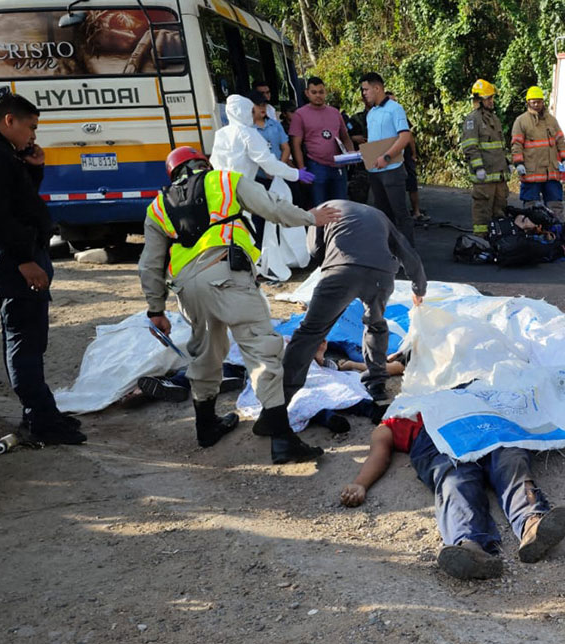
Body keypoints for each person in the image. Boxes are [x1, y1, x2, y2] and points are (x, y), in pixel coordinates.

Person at [139, 147, 339, 463]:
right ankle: (282, 439)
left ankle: (206, 427)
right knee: (261, 350)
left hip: (188, 288)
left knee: (205, 353)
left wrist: (156, 309)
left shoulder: (158, 206)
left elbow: (149, 263)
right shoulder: (224, 180)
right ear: (203, 163)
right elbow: (271, 207)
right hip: (227, 274)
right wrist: (310, 217)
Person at [0, 93, 86, 445]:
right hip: (13, 261)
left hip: (17, 256)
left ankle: (41, 414)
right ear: (9, 120)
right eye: (31, 127)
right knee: (24, 343)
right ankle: (40, 422)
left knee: (28, 341)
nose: (33, 135)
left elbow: (18, 201)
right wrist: (24, 261)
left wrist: (32, 169)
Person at [340, 414, 565, 580]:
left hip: (490, 431)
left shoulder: (475, 386)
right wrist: (360, 483)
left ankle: (533, 524)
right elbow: (379, 452)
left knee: (512, 462)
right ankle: (469, 546)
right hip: (440, 446)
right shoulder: (401, 414)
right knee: (455, 481)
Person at [281, 200, 426, 406]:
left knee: (310, 332)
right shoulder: (379, 216)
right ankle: (376, 384)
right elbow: (408, 253)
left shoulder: (324, 210)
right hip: (381, 275)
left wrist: (331, 268)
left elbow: (314, 250)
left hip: (341, 270)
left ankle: (281, 397)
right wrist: (419, 289)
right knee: (376, 325)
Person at [210, 94, 312, 187]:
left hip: (221, 185)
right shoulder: (248, 134)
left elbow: (214, 160)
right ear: (245, 112)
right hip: (242, 186)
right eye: (252, 111)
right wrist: (295, 174)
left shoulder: (221, 133)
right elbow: (267, 162)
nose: (253, 115)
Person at [361, 73, 415, 245]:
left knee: (401, 214)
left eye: (366, 89)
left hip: (392, 169)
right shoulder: (371, 113)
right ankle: (390, 252)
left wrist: (387, 156)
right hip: (375, 170)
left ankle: (409, 254)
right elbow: (374, 141)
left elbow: (405, 136)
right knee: (383, 215)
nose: (364, 93)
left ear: (377, 88)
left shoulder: (395, 108)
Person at [290, 76, 354, 206]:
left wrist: (352, 154)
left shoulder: (335, 113)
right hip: (316, 166)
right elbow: (295, 145)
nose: (318, 95)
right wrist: (301, 169)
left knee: (342, 206)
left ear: (325, 92)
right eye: (314, 92)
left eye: (321, 92)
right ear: (307, 93)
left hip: (338, 166)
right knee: (320, 206)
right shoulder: (300, 114)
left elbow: (345, 137)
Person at [511, 85, 565, 221]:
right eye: (534, 102)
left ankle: (557, 229)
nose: (537, 105)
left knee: (555, 205)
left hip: (551, 172)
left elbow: (560, 141)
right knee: (531, 207)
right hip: (531, 173)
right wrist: (519, 163)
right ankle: (531, 230)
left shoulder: (551, 120)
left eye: (539, 101)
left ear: (543, 102)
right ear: (528, 103)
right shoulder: (521, 121)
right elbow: (517, 144)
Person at [461, 79, 510, 237]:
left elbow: (500, 146)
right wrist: (478, 168)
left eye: (491, 98)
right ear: (480, 100)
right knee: (482, 213)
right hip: (484, 178)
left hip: (499, 176)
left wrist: (506, 164)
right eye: (488, 98)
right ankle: (481, 242)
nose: (491, 101)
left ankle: (498, 241)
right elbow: (470, 146)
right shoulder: (473, 120)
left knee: (500, 211)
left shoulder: (494, 119)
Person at [385, 91, 426, 223]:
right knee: (395, 185)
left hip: (405, 154)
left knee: (411, 182)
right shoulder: (381, 116)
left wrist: (413, 154)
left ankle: (416, 211)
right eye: (390, 101)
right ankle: (394, 214)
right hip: (391, 154)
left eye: (395, 100)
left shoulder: (400, 115)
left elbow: (409, 136)